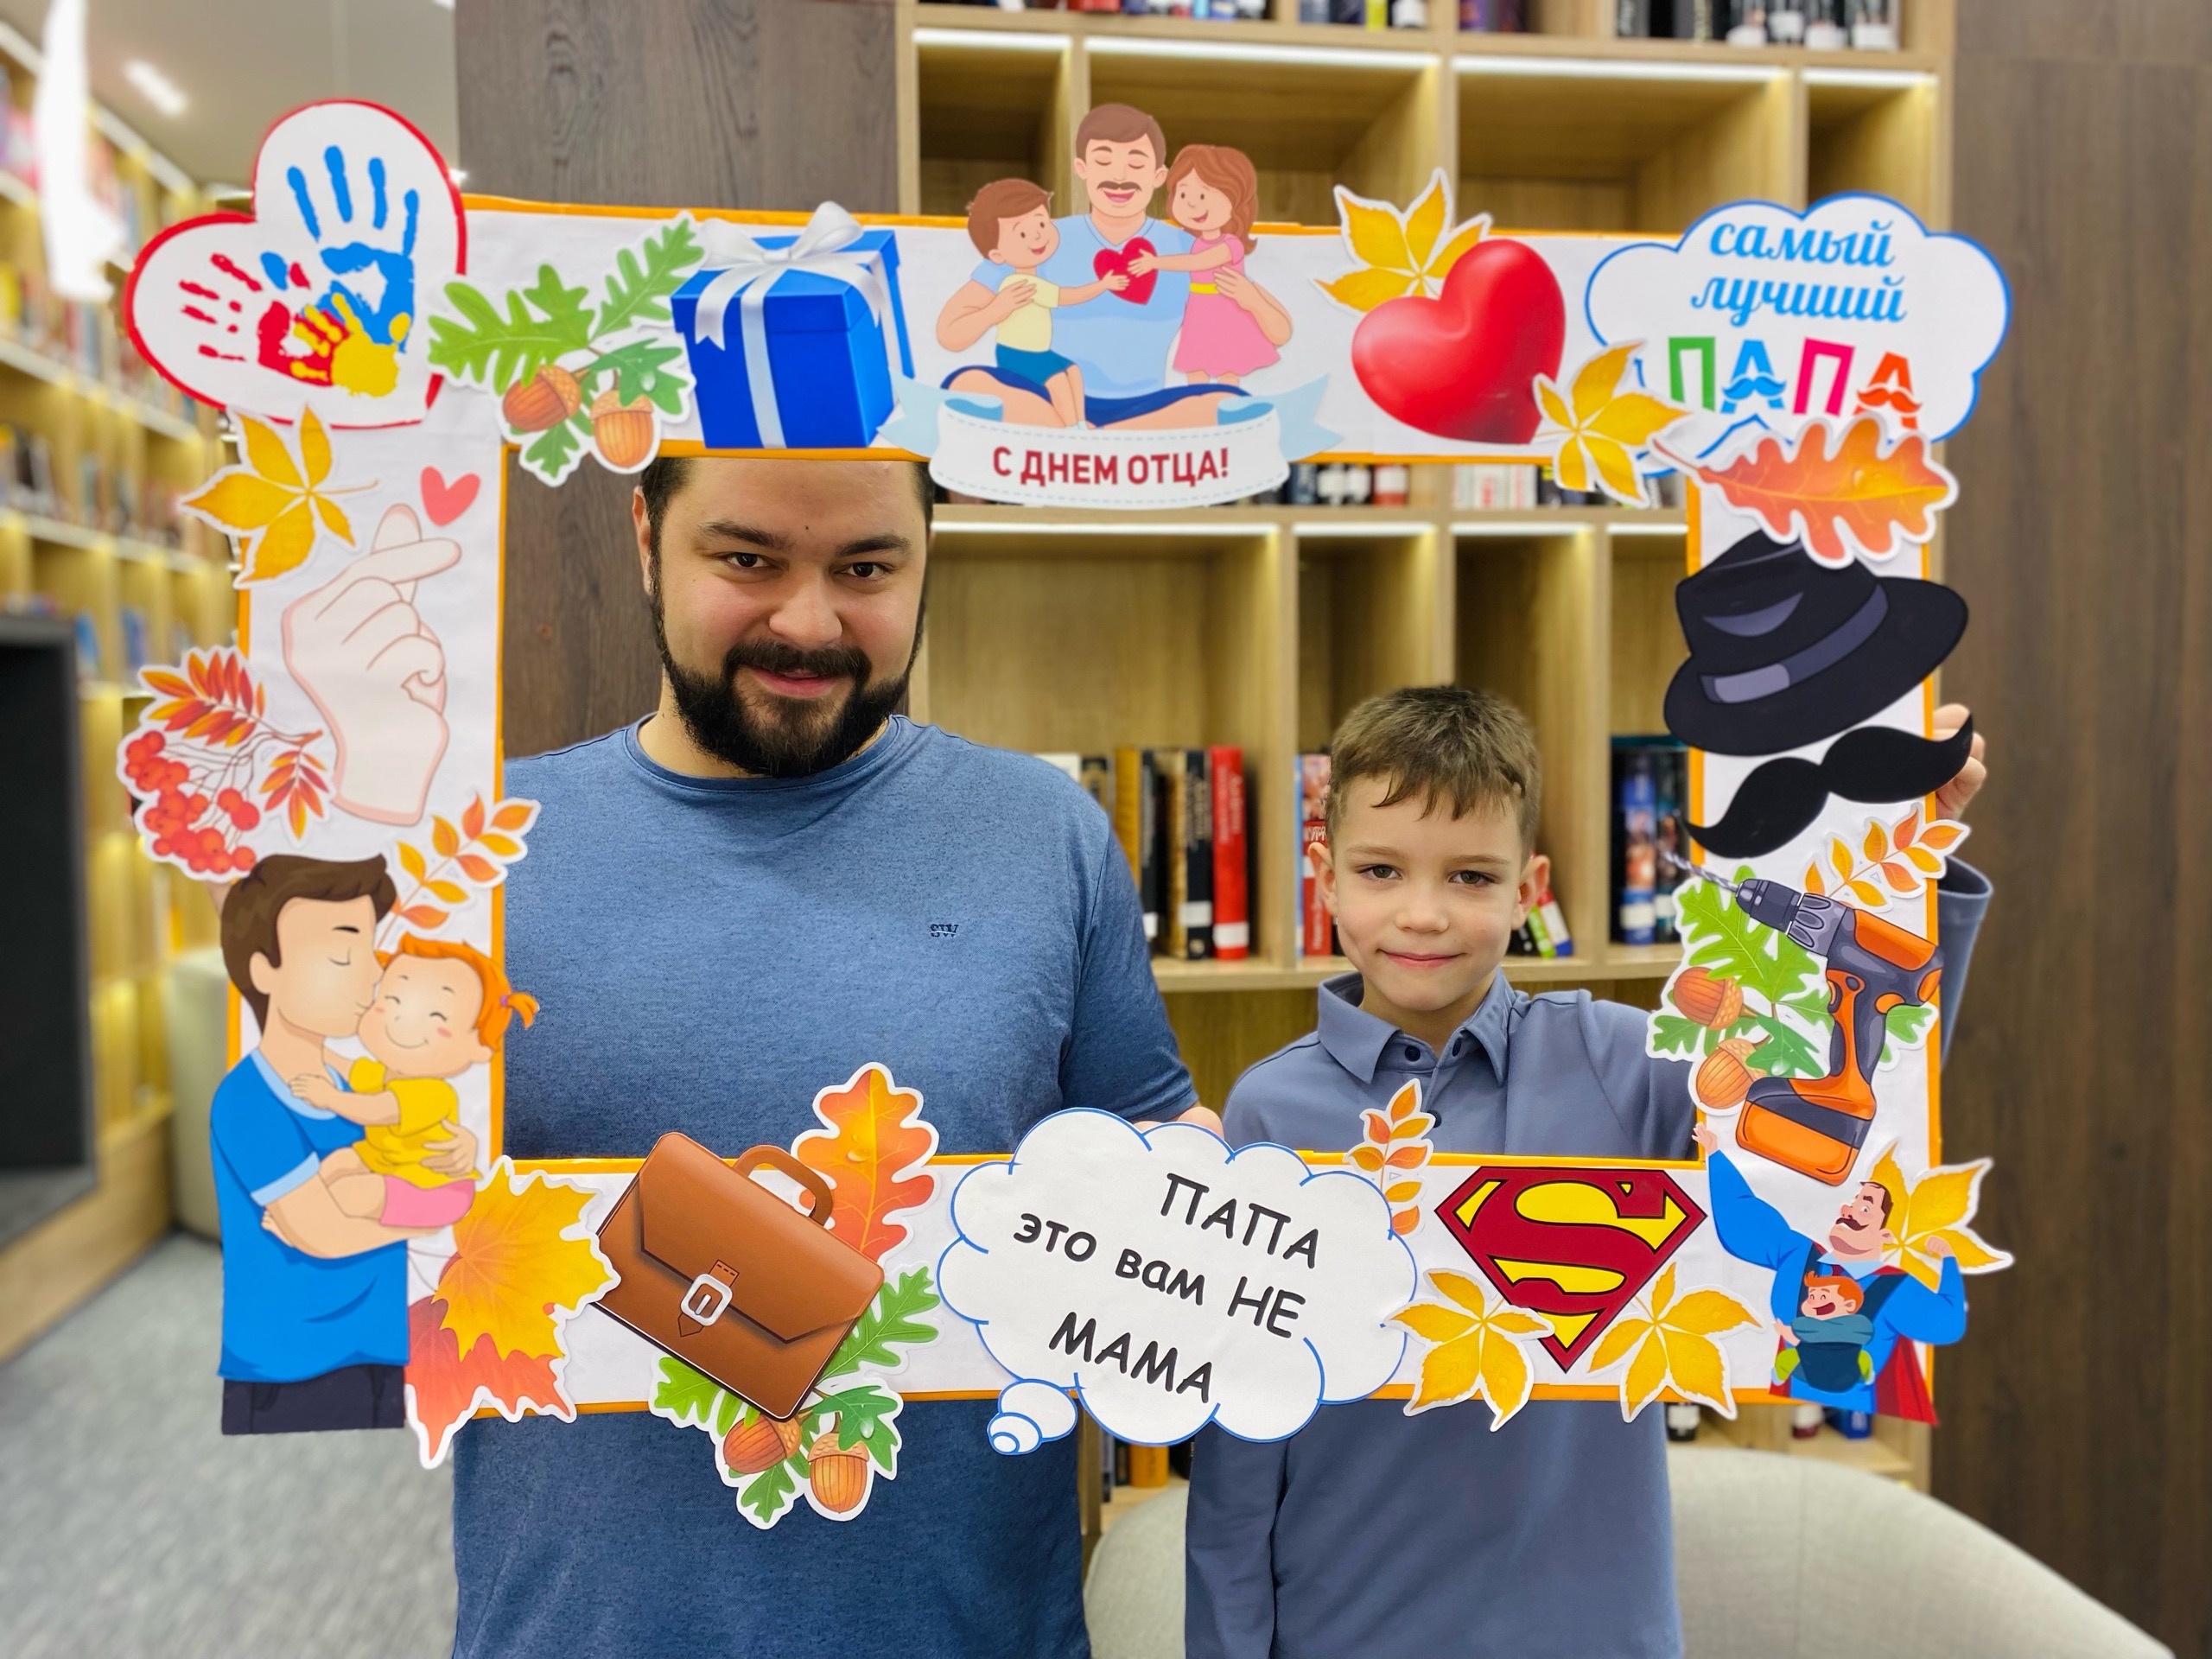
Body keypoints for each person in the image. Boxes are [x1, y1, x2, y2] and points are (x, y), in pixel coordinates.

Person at [448, 455, 1216, 1659]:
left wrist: (1203, 1215)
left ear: (928, 554)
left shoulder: (1047, 834)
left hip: (970, 1631)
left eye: (865, 568)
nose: (808, 625)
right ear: (646, 536)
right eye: (747, 559)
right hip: (577, 1631)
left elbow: (1151, 1147)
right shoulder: (475, 858)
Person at [1185, 685, 1990, 1659]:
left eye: (1472, 877)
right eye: (1380, 870)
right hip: (1344, 1631)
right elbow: (1240, 1446)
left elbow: (1843, 1139)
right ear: (1323, 875)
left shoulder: (1624, 1063)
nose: (1422, 914)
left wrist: (1904, 861)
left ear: (1529, 889)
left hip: (1596, 1631)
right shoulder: (1268, 1112)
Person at [209, 854, 477, 1435]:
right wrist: (436, 1217)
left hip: (376, 1340)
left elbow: (409, 1142)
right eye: (340, 956)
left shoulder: (352, 1083)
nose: (371, 976)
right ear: (264, 971)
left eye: (370, 953)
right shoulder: (248, 1101)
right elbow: (323, 1233)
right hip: (291, 1360)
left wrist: (458, 1145)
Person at [936, 105, 1292, 430]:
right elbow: (950, 333)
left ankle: (1093, 440)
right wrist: (994, 311)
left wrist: (1251, 299)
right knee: (967, 384)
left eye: (1136, 164)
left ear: (1158, 176)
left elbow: (1280, 331)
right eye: (1104, 161)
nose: (1119, 176)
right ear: (1082, 168)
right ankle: (1100, 440)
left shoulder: (1190, 250)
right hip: (1051, 398)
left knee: (1225, 402)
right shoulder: (1039, 238)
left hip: (1146, 407)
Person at [1700, 1122, 1967, 1416]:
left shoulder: (1896, 1287)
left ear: (1885, 1234)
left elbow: (1946, 1324)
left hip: (1855, 1410)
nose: (1847, 1211)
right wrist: (1715, 1156)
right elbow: (1744, 1221)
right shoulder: (1800, 1254)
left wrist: (1949, 1261)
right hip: (1780, 1401)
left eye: (1865, 1208)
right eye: (1852, 1203)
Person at [292, 936, 537, 1229]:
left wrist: (329, 1097)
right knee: (338, 1162)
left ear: (479, 1045)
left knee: (350, 1192)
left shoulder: (433, 1092)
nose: (402, 1019)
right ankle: (300, 1213)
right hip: (385, 1163)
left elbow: (377, 1110)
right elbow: (351, 1068)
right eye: (392, 1000)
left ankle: (310, 1224)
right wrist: (315, 1047)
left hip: (435, 1189)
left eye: (436, 1015)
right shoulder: (387, 1073)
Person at [951, 177, 1129, 428]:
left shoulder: (1033, 280)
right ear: (997, 255)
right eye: (1023, 233)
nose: (1037, 236)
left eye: (1042, 224)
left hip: (1039, 351)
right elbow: (1069, 296)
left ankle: (1080, 423)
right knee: (1058, 380)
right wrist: (1103, 285)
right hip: (1018, 354)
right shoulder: (1024, 284)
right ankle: (1071, 430)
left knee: (1073, 371)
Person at [1129, 143, 1280, 386]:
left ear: (1234, 201)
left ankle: (1229, 402)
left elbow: (1197, 263)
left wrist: (1154, 262)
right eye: (1183, 194)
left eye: (1202, 196)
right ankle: (1197, 403)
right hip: (1199, 310)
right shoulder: (1195, 242)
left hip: (1226, 311)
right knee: (1196, 365)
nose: (1192, 204)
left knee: (1228, 368)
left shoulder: (1231, 245)